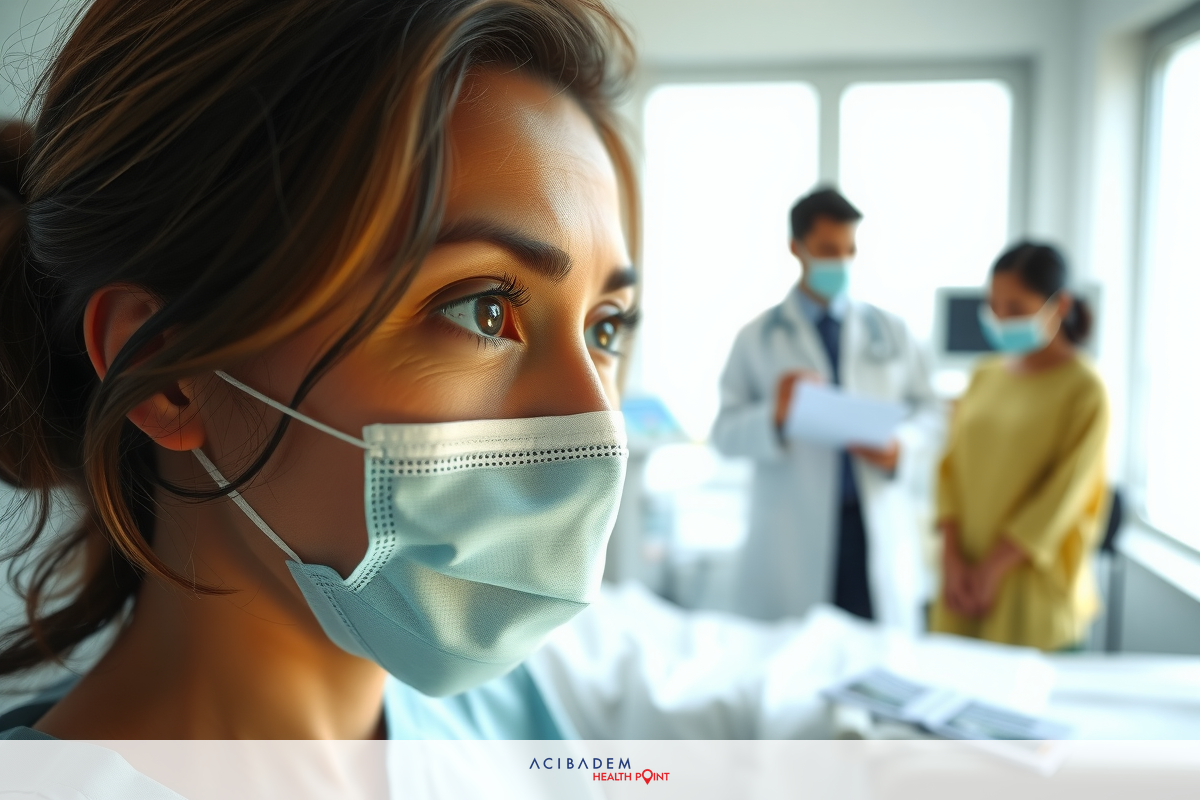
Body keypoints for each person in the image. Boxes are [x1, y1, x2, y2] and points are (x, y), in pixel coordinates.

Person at [0, 0, 640, 742]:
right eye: (482, 310)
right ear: (164, 368)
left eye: (605, 327)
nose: (599, 428)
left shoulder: (514, 730)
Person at [711, 188, 941, 630]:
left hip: (871, 528)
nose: (841, 263)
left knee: (876, 666)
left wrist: (901, 449)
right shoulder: (757, 338)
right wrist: (774, 414)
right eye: (828, 250)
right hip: (793, 537)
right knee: (799, 674)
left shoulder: (890, 330)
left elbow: (931, 412)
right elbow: (723, 434)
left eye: (849, 250)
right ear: (796, 248)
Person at [932, 242, 1109, 651]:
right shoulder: (984, 374)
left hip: (1029, 591)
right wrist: (953, 559)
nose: (998, 319)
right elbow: (949, 470)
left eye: (1015, 308)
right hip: (962, 585)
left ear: (1059, 306)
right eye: (993, 306)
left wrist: (992, 571)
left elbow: (1061, 498)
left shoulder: (1085, 389)